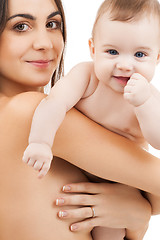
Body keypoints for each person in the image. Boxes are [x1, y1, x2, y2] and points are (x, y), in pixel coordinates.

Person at [0, 0, 159, 239]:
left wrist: (136, 219)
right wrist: (140, 213)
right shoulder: (29, 112)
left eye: (53, 24)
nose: (44, 43)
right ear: (93, 48)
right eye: (21, 26)